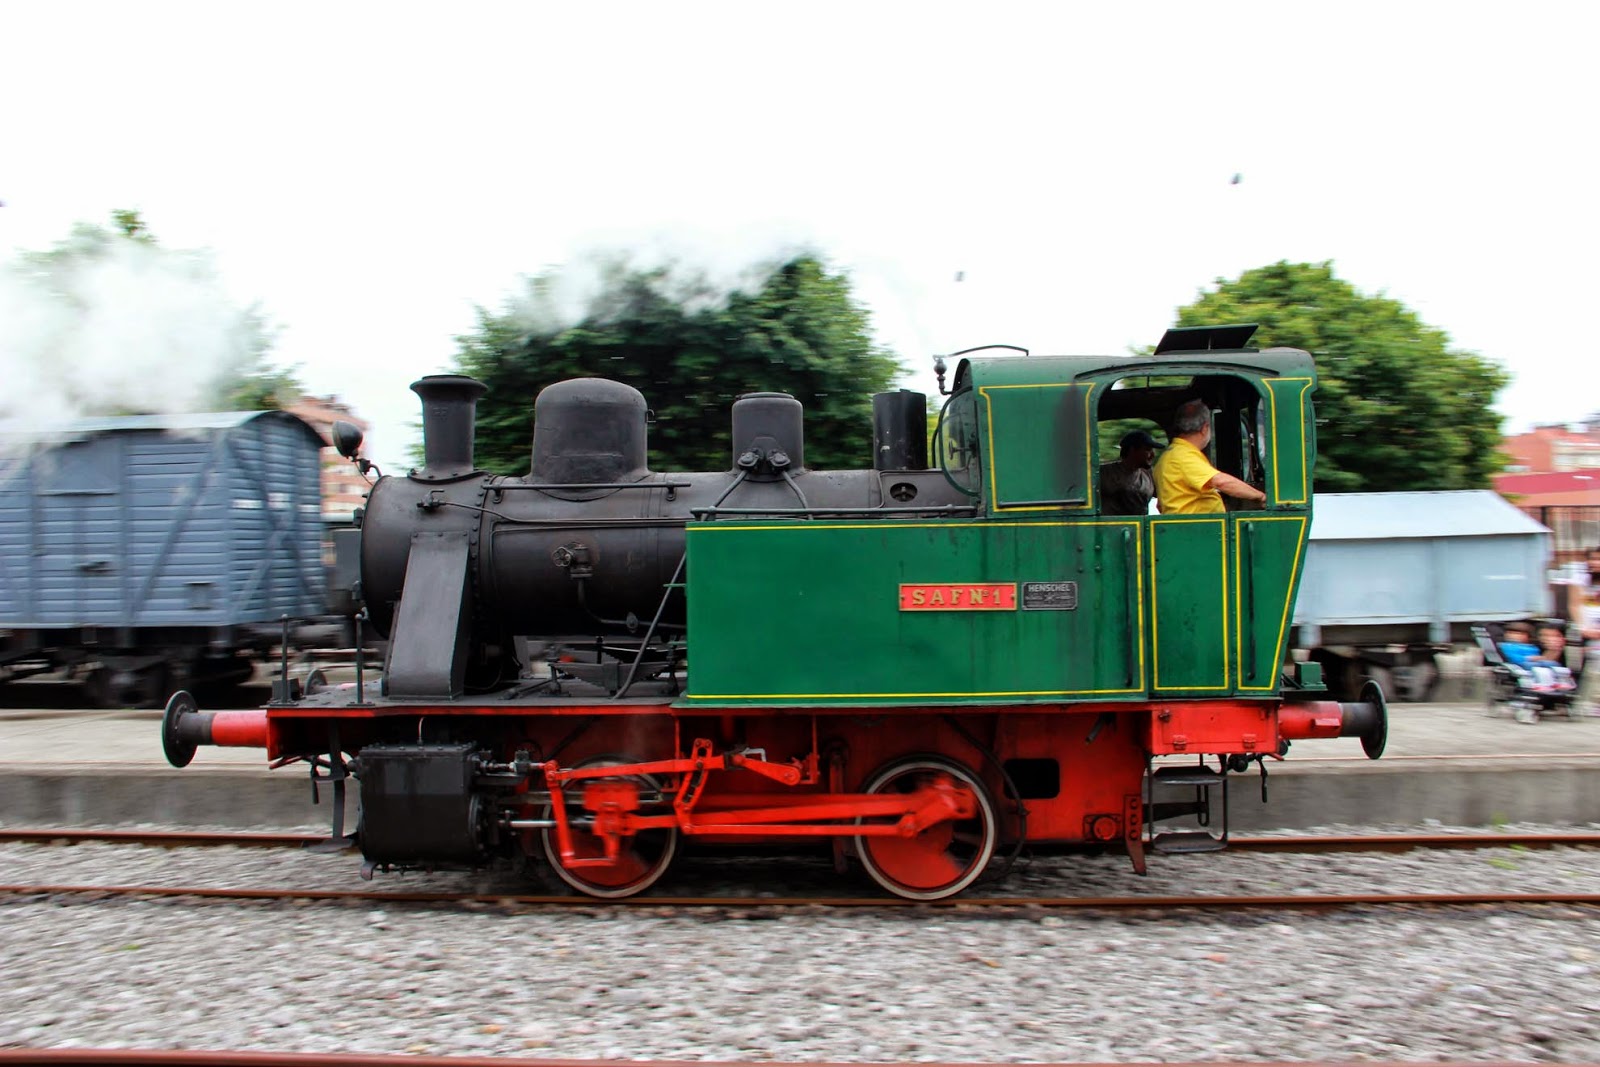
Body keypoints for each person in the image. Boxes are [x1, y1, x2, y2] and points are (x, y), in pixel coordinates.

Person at [1152, 399, 1268, 514]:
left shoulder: (1172, 454)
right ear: (1205, 428)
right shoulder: (1183, 456)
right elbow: (1221, 482)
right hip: (1196, 528)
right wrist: (1260, 496)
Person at [1498, 620, 1574, 691]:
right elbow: (1513, 657)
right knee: (1534, 667)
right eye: (1512, 633)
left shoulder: (1531, 647)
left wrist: (1542, 657)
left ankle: (1560, 681)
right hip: (1521, 665)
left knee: (1552, 664)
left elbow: (1538, 655)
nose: (1515, 636)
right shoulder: (1507, 646)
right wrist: (1528, 658)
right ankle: (1539, 683)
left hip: (1538, 662)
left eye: (1520, 634)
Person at [1099, 430, 1159, 515]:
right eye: (1148, 450)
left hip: (1140, 526)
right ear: (1132, 450)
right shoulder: (1105, 473)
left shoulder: (1150, 475)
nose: (1152, 455)